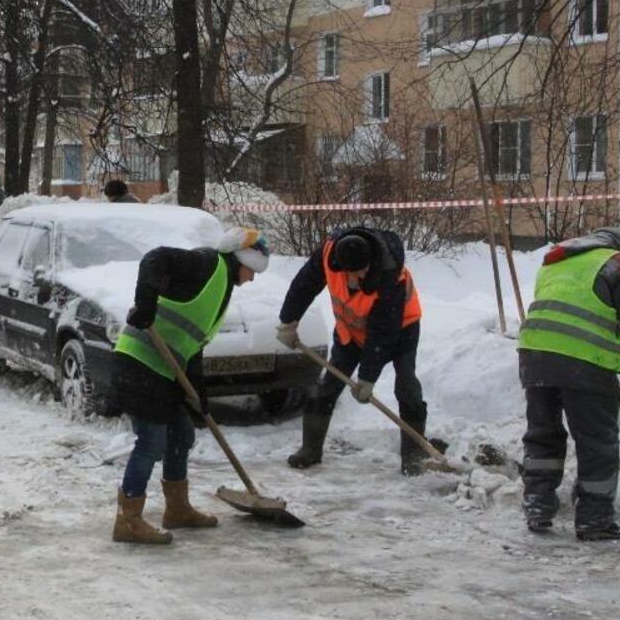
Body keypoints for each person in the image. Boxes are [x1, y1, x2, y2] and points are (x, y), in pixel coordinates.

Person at [107, 226, 270, 545]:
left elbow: (192, 345)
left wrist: (199, 395)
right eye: (252, 271)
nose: (251, 279)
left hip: (163, 371)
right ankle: (127, 521)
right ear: (241, 260)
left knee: (181, 434)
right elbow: (155, 259)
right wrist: (146, 304)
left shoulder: (221, 286)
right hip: (138, 362)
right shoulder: (207, 264)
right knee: (152, 441)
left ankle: (177, 510)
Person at [517, 227, 620, 541]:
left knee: (543, 435)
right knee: (596, 442)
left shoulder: (555, 262)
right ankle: (595, 519)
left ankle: (538, 504)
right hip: (582, 364)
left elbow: (584, 318)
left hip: (535, 356)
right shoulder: (619, 263)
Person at [274, 225, 431, 474]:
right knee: (328, 385)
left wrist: (368, 378)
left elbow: (382, 333)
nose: (355, 279)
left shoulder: (391, 277)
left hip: (401, 330)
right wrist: (288, 321)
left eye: (361, 272)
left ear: (371, 263)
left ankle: (413, 457)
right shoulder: (328, 253)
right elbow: (304, 285)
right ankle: (310, 449)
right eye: (351, 273)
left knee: (406, 384)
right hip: (350, 331)